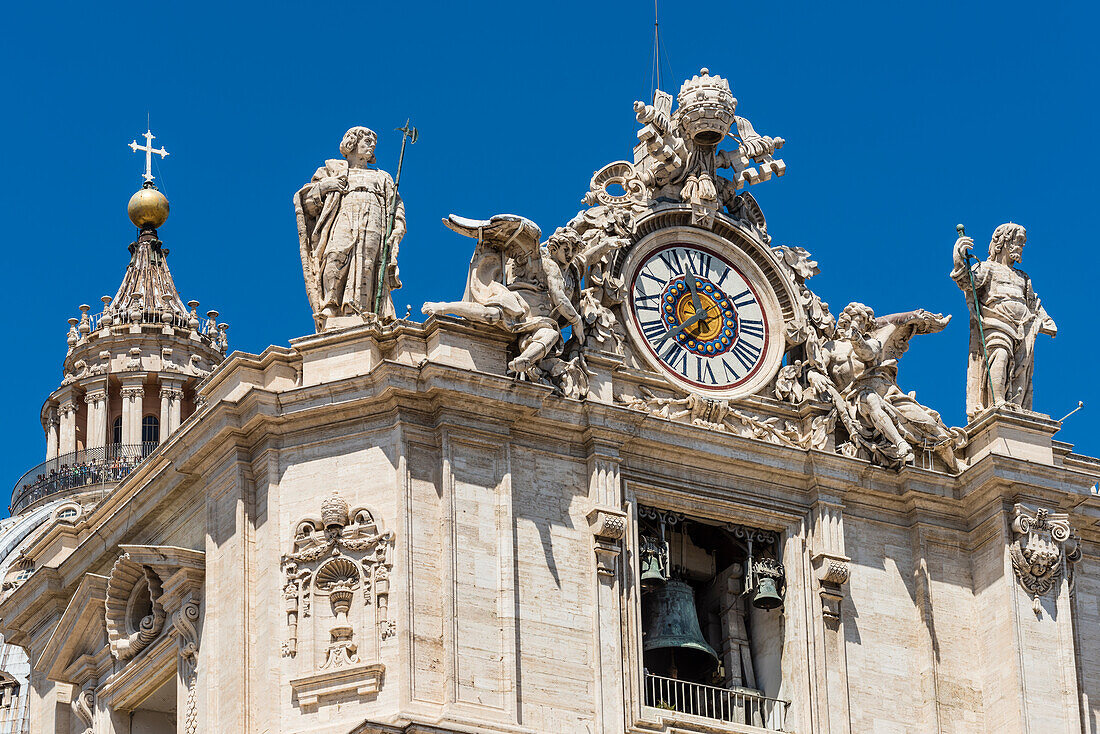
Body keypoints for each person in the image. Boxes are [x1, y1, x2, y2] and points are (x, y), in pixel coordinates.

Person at [295, 126, 405, 325]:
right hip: (343, 214)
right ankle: (330, 305)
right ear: (353, 143)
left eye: (374, 144)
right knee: (334, 256)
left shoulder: (383, 177)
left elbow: (396, 207)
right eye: (367, 142)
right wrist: (325, 186)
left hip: (374, 219)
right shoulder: (331, 171)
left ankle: (358, 310)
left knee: (367, 261)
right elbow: (305, 205)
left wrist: (397, 228)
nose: (372, 146)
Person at [951, 223, 1056, 417]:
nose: (1021, 247)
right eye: (1018, 242)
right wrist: (959, 255)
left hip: (1024, 326)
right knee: (1000, 354)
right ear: (1003, 242)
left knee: (1020, 368)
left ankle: (1016, 407)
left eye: (1022, 244)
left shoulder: (1023, 277)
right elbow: (967, 282)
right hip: (996, 321)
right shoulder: (987, 267)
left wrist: (1045, 320)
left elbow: (1033, 303)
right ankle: (997, 401)